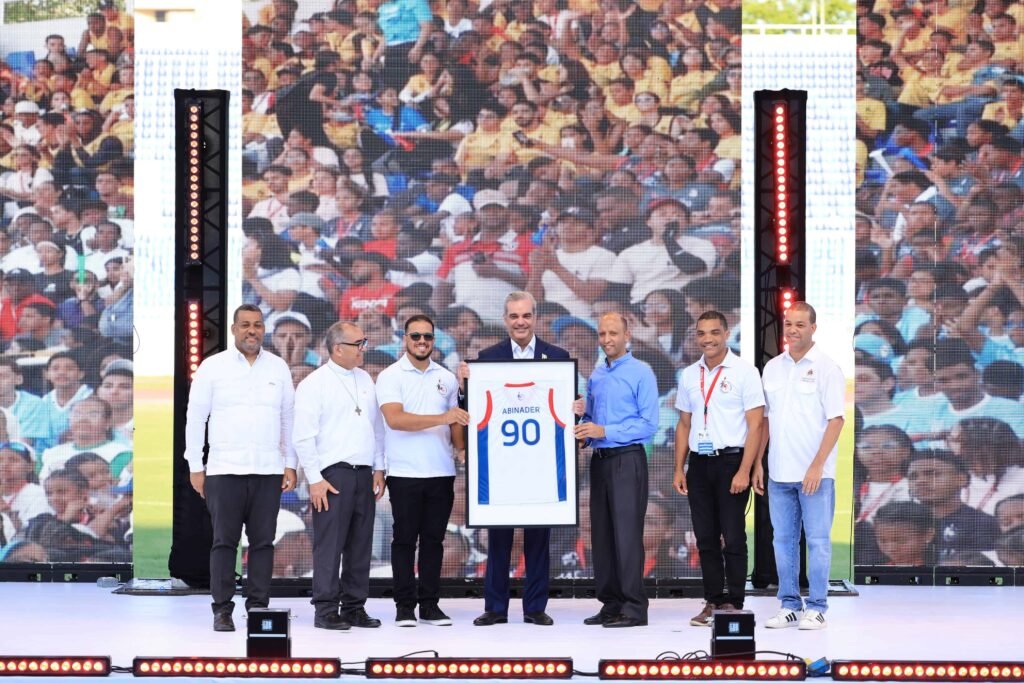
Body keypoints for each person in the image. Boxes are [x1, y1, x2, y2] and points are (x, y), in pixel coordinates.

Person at [456, 291, 569, 626]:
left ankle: (535, 608)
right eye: (514, 316)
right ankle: (495, 608)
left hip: (540, 464)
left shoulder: (557, 357)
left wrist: (575, 407)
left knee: (538, 541)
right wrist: (463, 388)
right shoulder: (487, 358)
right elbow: (471, 411)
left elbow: (565, 408)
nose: (521, 322)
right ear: (505, 319)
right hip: (502, 465)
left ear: (535, 318)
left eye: (526, 315)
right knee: (499, 540)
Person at [183, 304, 297, 632]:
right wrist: (196, 466)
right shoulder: (213, 367)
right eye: (245, 325)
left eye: (258, 325)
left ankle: (258, 607)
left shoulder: (278, 367)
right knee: (224, 542)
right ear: (233, 329)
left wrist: (290, 463)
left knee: (263, 542)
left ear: (264, 330)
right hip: (224, 469)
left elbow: (288, 418)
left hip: (268, 469)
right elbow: (196, 418)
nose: (252, 331)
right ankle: (222, 610)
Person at [755, 303, 845, 631]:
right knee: (782, 541)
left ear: (813, 328)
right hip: (779, 473)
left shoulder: (827, 368)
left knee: (818, 541)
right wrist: (758, 463)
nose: (792, 330)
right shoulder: (772, 368)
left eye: (800, 325)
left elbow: (836, 420)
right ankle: (790, 604)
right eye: (789, 323)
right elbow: (765, 421)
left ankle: (817, 607)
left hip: (815, 476)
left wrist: (817, 466)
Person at [375, 314, 469, 627]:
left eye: (427, 336)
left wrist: (462, 446)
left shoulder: (447, 377)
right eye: (415, 336)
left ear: (434, 340)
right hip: (404, 473)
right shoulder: (390, 376)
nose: (421, 341)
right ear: (405, 339)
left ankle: (430, 606)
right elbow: (395, 419)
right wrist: (443, 418)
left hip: (441, 471)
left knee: (434, 541)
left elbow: (455, 424)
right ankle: (405, 607)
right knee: (404, 541)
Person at [673, 310, 765, 627]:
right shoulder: (689, 375)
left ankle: (734, 602)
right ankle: (712, 601)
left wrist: (744, 470)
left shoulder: (745, 372)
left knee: (734, 536)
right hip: (699, 464)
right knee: (705, 538)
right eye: (701, 333)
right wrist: (679, 467)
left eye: (714, 332)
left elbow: (756, 425)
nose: (707, 339)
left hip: (731, 462)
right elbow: (684, 424)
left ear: (726, 334)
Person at [292, 322, 386, 631]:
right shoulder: (314, 384)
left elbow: (376, 428)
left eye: (363, 342)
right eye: (359, 343)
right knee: (329, 545)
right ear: (338, 348)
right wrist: (315, 479)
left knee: (360, 544)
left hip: (363, 473)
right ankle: (326, 609)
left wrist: (379, 467)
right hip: (333, 475)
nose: (363, 349)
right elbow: (303, 437)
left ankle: (354, 607)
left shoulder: (365, 379)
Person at [573, 312, 659, 628]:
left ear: (627, 335)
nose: (607, 339)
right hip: (600, 461)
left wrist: (603, 431)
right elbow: (592, 421)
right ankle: (610, 605)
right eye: (602, 334)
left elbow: (649, 424)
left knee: (626, 535)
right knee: (603, 535)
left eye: (613, 333)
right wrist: (583, 424)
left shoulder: (641, 372)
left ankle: (634, 608)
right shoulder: (596, 376)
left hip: (627, 459)